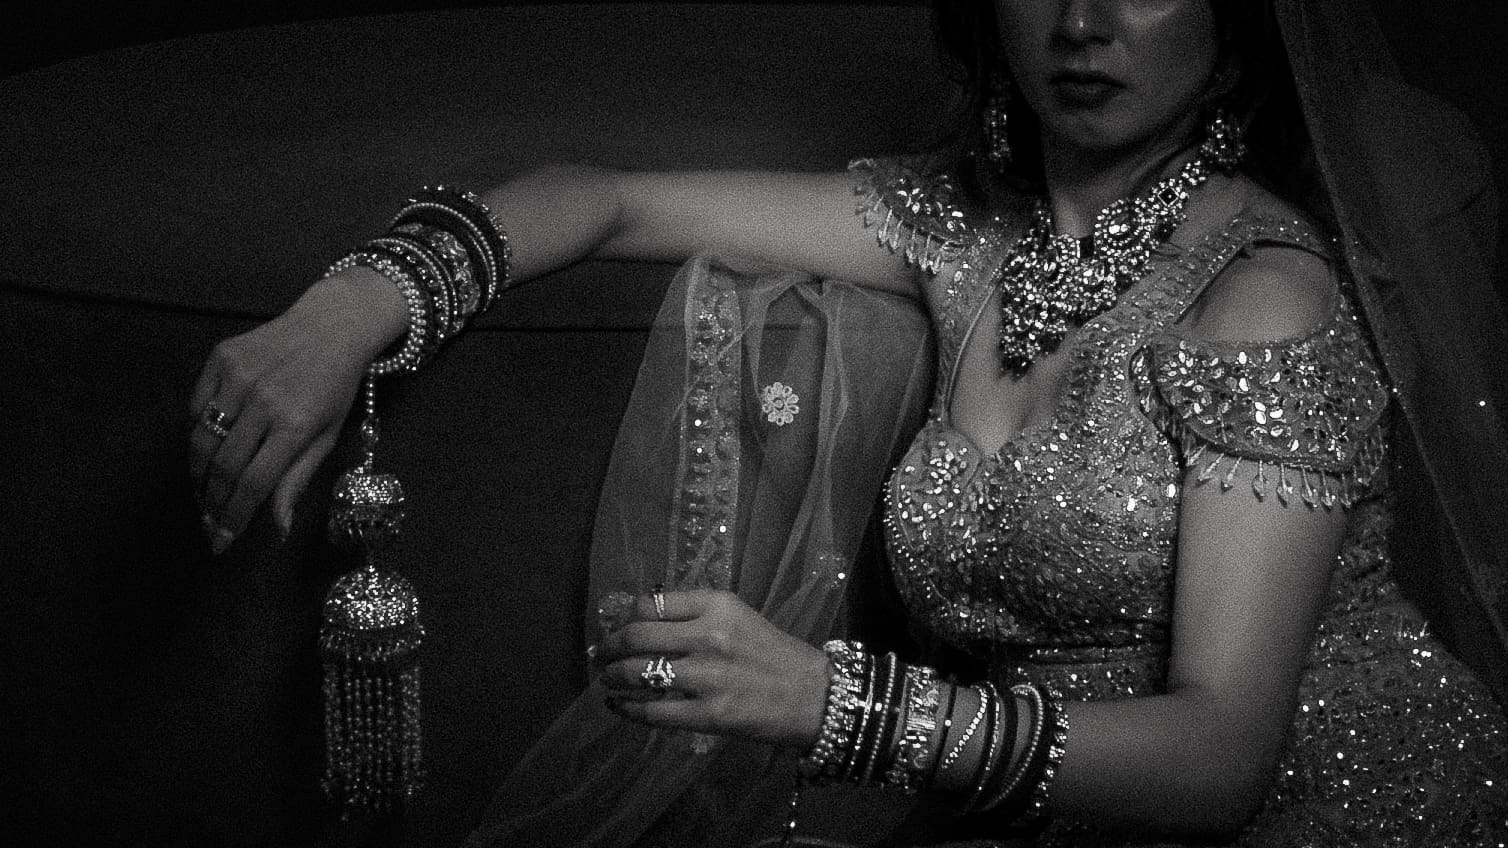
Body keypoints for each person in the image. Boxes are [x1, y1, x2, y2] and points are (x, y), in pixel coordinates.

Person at [188, 0, 1508, 845]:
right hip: (1025, 803)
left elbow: (1224, 755)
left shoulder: (1260, 295)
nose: (1086, 21)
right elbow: (608, 201)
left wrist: (841, 708)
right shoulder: (960, 233)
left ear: (1234, 19)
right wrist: (350, 310)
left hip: (1335, 807)